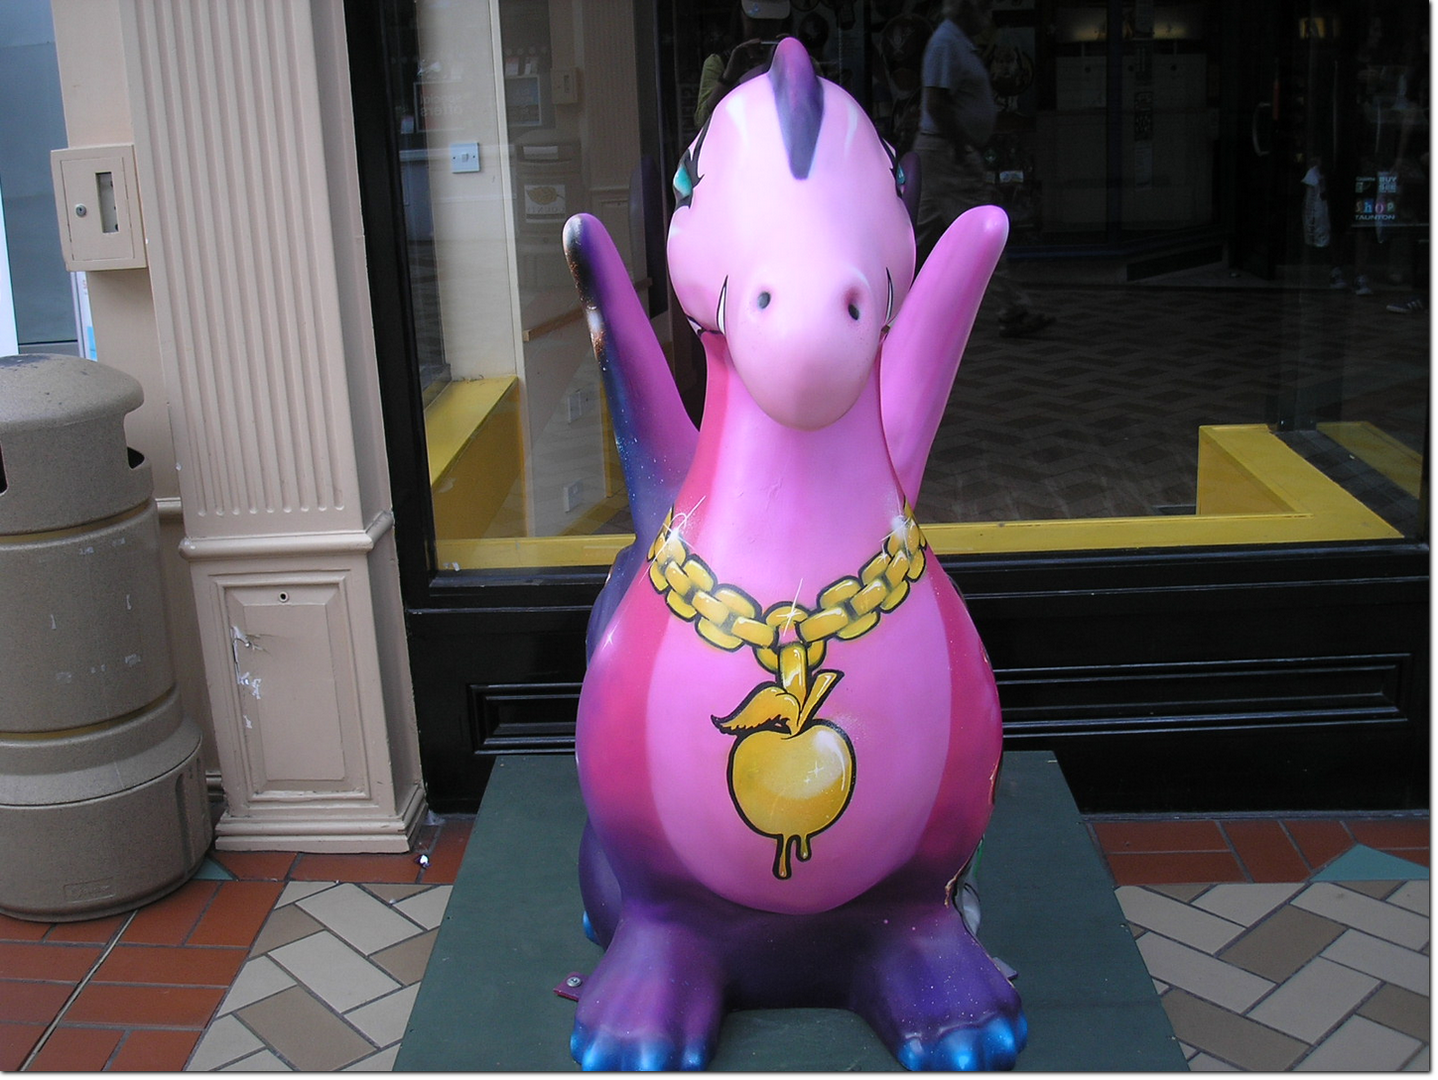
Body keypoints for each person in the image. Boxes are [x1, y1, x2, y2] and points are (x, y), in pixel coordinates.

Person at [913, 0, 1052, 337]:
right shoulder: (947, 43)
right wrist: (961, 145)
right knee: (981, 232)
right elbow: (937, 102)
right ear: (967, 10)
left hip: (942, 150)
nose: (988, 18)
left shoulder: (958, 43)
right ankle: (1013, 308)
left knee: (923, 234)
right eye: (984, 10)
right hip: (949, 151)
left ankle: (892, 296)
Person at [695, 1, 791, 128]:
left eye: (771, 22)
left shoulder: (794, 60)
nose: (763, 29)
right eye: (755, 22)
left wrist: (796, 62)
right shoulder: (719, 63)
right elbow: (702, 122)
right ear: (740, 18)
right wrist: (728, 78)